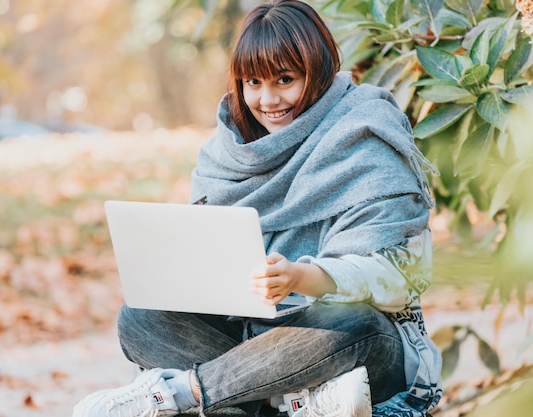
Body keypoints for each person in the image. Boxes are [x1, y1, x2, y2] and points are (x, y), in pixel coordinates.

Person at [72, 1, 442, 416]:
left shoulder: (365, 134)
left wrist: (305, 277)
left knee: (352, 325)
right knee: (140, 318)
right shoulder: (226, 153)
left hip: (353, 345)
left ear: (317, 73)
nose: (267, 100)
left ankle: (181, 394)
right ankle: (292, 399)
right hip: (251, 345)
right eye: (253, 82)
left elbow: (398, 276)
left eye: (285, 80)